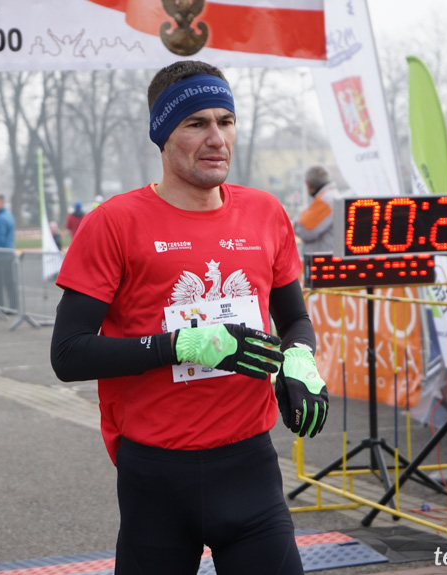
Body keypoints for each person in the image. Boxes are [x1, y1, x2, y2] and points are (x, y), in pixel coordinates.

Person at [50, 61, 328, 575]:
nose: (216, 138)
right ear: (162, 134)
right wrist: (180, 345)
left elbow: (294, 318)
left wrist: (300, 359)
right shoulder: (114, 222)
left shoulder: (265, 213)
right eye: (196, 124)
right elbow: (68, 354)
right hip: (156, 476)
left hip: (249, 469)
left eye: (226, 121)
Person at [292, 165, 341, 255]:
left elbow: (306, 230)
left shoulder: (325, 200)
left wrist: (295, 224)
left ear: (308, 184)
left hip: (322, 261)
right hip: (329, 257)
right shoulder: (332, 197)